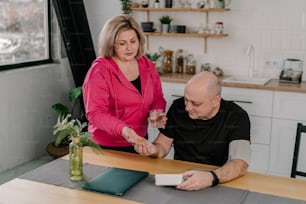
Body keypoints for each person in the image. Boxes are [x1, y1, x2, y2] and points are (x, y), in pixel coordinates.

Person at [135, 71, 251, 190]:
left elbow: (240, 163)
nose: (187, 107)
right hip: (181, 177)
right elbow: (163, 144)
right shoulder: (178, 107)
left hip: (218, 179)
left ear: (216, 101)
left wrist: (210, 177)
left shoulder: (237, 116)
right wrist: (153, 150)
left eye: (196, 103)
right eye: (186, 100)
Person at [82, 14, 166, 153]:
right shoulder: (99, 71)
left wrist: (156, 113)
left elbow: (157, 98)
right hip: (105, 146)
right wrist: (124, 130)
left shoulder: (147, 65)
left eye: (133, 41)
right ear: (111, 44)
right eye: (122, 44)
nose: (129, 48)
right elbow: (96, 113)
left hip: (139, 142)